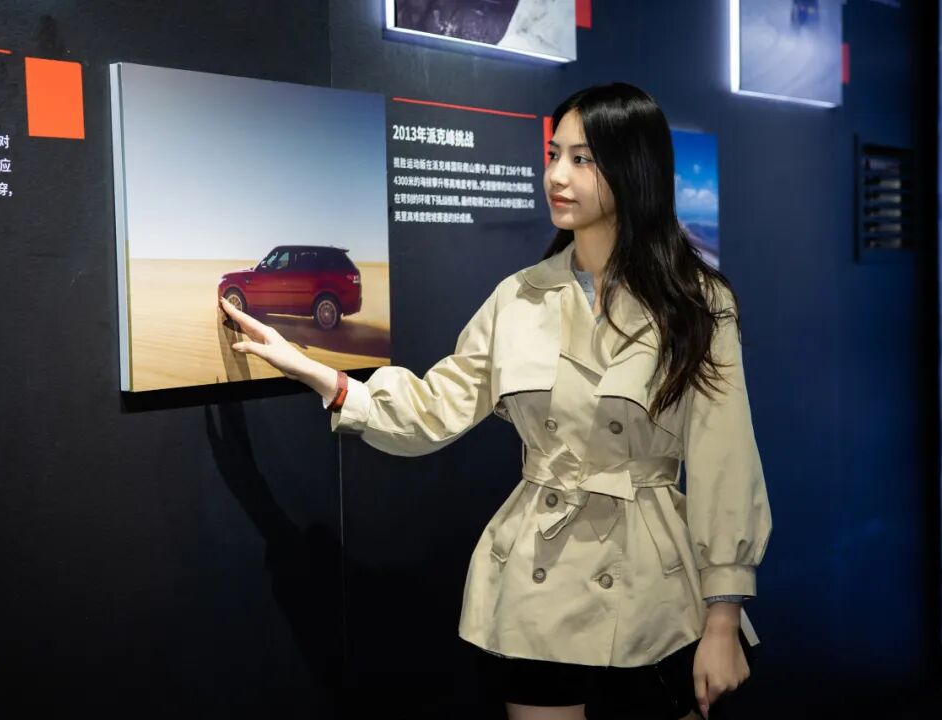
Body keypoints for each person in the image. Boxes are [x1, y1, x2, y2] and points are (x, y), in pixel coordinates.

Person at [219, 83, 773, 720]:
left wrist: (723, 616)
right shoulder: (520, 296)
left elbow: (725, 461)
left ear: (634, 168)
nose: (556, 176)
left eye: (583, 159)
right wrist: (319, 374)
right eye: (554, 154)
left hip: (654, 586)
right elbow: (435, 406)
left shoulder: (697, 303)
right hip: (538, 576)